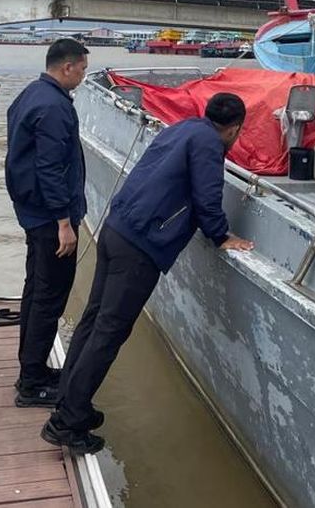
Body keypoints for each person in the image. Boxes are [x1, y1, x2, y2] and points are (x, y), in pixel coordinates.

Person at [41, 92, 255, 454]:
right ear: (235, 129)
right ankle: (67, 423)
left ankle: (68, 400)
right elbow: (207, 198)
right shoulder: (209, 144)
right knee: (110, 332)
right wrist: (222, 236)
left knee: (94, 320)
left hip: (117, 228)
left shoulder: (182, 128)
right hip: (140, 247)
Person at [6, 38, 90, 406]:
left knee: (36, 290)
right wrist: (63, 222)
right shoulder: (54, 106)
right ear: (67, 67)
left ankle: (32, 367)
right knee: (49, 297)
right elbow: (50, 167)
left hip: (32, 212)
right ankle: (32, 383)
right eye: (82, 69)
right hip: (50, 218)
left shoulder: (31, 94)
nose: (83, 76)